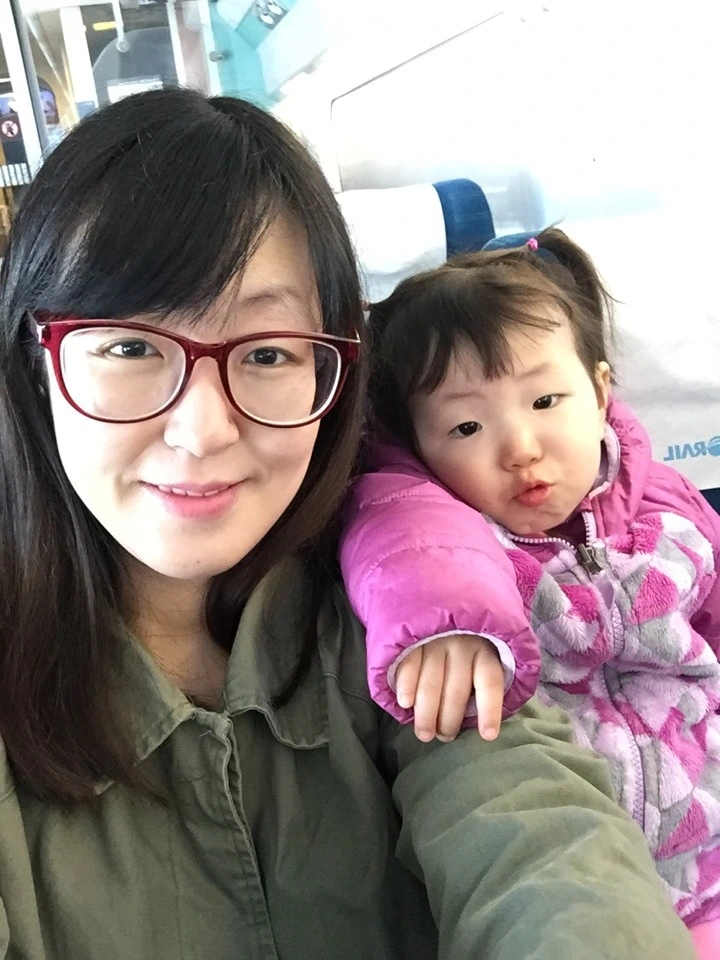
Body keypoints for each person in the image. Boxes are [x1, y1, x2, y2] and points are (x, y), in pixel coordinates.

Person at [0, 90, 695, 960]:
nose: (203, 430)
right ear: (34, 361)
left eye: (268, 353)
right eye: (131, 347)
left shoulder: (403, 597)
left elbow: (542, 842)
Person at [340, 228, 720, 955]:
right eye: (466, 426)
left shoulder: (670, 507)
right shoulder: (448, 524)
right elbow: (406, 546)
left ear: (600, 393)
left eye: (546, 399)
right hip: (581, 878)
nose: (520, 447)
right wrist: (449, 623)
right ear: (418, 445)